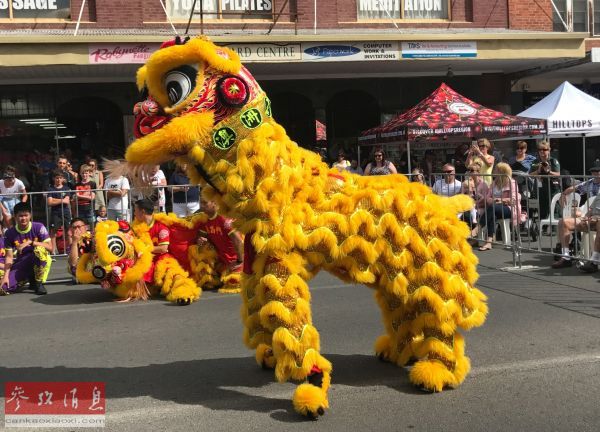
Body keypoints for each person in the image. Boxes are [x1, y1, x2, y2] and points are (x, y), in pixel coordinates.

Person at [552, 165, 600, 268]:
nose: (596, 174)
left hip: (598, 219)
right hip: (590, 217)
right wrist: (564, 194)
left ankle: (594, 261)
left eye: (598, 171)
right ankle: (566, 257)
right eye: (593, 172)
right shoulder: (589, 183)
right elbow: (574, 188)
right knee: (563, 222)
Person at [0, 202, 52, 295]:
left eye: (26, 215)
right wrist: (6, 276)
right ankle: (28, 277)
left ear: (30, 215)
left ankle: (38, 282)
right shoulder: (9, 233)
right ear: (15, 217)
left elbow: (50, 248)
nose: (23, 218)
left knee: (39, 250)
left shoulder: (39, 227)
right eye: (20, 216)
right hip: (22, 262)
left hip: (38, 259)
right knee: (3, 288)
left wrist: (31, 242)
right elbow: (9, 257)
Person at [478, 163, 521, 251]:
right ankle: (489, 242)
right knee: (492, 214)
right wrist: (493, 200)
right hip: (495, 208)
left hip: (509, 208)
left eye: (495, 170)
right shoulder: (494, 183)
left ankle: (478, 228)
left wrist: (500, 200)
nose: (493, 171)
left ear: (501, 172)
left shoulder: (511, 182)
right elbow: (487, 198)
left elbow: (514, 199)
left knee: (492, 208)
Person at [134, 198, 172, 284]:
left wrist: (145, 249)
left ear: (142, 212)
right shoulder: (136, 225)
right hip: (143, 259)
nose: (134, 213)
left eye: (135, 211)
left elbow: (163, 248)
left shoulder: (161, 227)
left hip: (160, 259)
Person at [530, 140, 561, 221]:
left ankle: (554, 229)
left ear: (549, 150)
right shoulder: (535, 161)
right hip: (540, 189)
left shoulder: (553, 160)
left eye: (544, 149)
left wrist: (548, 171)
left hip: (552, 188)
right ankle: (542, 228)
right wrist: (538, 171)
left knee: (554, 208)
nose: (542, 151)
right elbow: (530, 175)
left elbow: (558, 174)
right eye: (540, 150)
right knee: (542, 209)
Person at [46, 169, 72, 254]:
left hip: (65, 212)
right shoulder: (50, 189)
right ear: (54, 178)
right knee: (53, 232)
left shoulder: (66, 188)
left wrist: (55, 200)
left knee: (68, 231)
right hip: (55, 213)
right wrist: (62, 200)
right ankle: (53, 251)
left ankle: (71, 250)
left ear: (63, 179)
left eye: (60, 178)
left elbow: (67, 201)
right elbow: (49, 202)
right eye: (57, 178)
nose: (58, 180)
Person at [461, 162, 488, 238]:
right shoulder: (466, 183)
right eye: (468, 170)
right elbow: (462, 195)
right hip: (467, 206)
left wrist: (476, 204)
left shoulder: (483, 184)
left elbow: (485, 199)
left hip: (480, 207)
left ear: (478, 172)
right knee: (462, 214)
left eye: (472, 170)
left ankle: (472, 236)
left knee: (469, 215)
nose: (469, 172)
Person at [73, 164, 96, 228]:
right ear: (80, 173)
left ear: (89, 173)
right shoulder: (76, 185)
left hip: (90, 208)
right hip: (79, 208)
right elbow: (74, 198)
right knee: (81, 226)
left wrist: (79, 196)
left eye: (86, 173)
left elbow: (92, 197)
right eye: (83, 173)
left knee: (92, 227)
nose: (84, 175)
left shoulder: (93, 183)